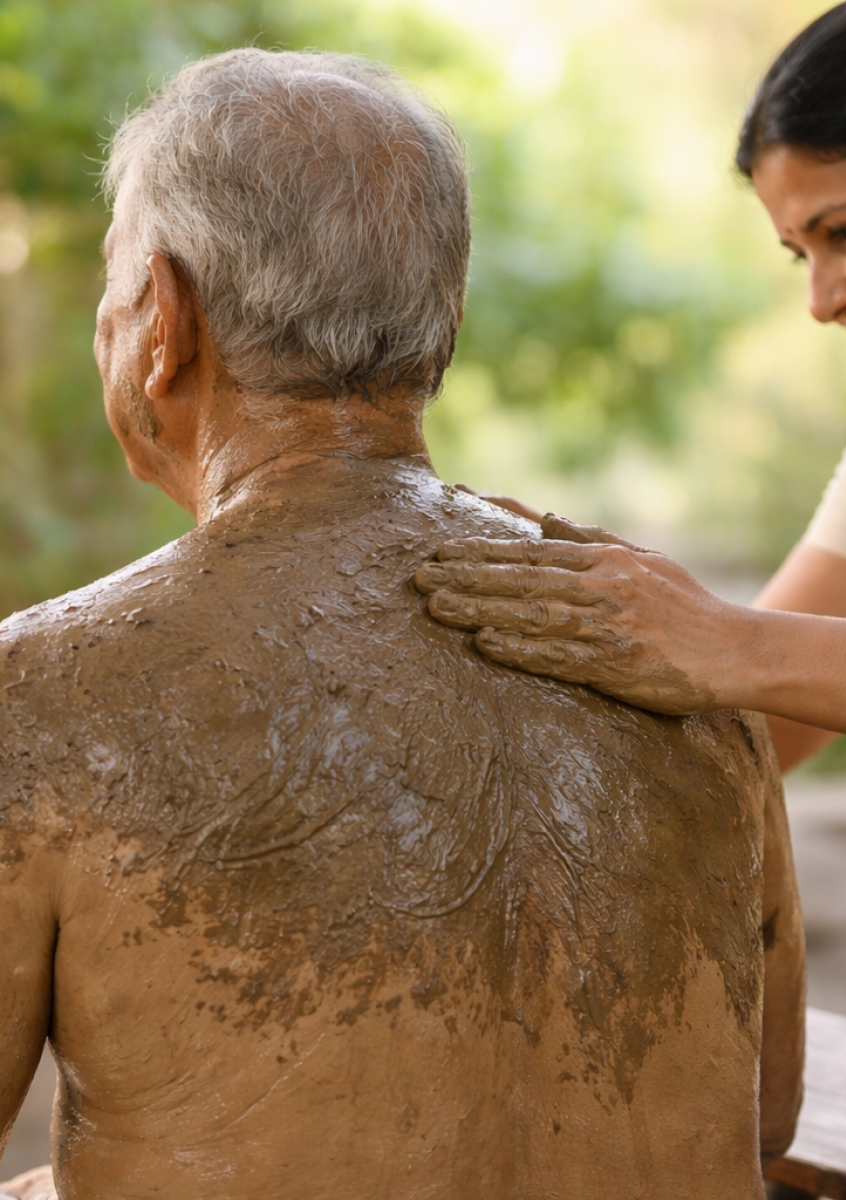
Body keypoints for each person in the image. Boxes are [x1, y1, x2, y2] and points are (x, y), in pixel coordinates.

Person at [0, 48, 805, 1199]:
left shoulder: (41, 693)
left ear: (161, 320)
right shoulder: (663, 651)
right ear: (448, 325)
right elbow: (762, 1120)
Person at [415, 0, 846, 1082]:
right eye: (799, 256)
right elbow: (758, 720)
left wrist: (722, 640)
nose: (823, 300)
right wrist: (441, 781)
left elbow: (748, 659)